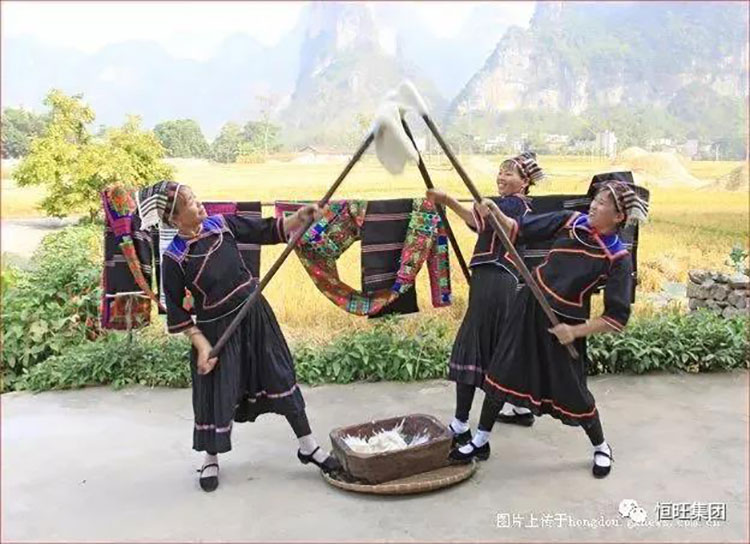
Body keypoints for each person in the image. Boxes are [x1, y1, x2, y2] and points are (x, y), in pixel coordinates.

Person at [138, 181, 340, 492]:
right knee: (216, 394)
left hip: (253, 314)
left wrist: (300, 216)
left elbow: (266, 230)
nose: (199, 203)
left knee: (280, 376)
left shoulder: (222, 224)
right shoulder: (174, 258)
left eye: (195, 196)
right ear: (175, 219)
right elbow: (176, 311)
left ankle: (308, 447)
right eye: (190, 202)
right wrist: (202, 346)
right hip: (217, 331)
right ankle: (210, 458)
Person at [449, 180, 648, 478]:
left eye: (603, 203)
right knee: (500, 372)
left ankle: (601, 447)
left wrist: (575, 331)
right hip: (529, 307)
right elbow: (517, 229)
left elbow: (616, 318)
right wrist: (495, 213)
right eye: (595, 199)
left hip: (563, 326)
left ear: (619, 216)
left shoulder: (617, 258)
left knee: (574, 391)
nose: (594, 206)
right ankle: (480, 439)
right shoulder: (571, 221)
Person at [426, 152, 544, 448]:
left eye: (509, 173)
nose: (501, 177)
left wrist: (452, 200)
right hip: (495, 279)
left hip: (494, 277)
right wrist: (448, 200)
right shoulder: (510, 204)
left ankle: (461, 425)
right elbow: (478, 221)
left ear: (524, 182)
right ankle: (519, 408)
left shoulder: (515, 204)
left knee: (474, 344)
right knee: (494, 345)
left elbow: (489, 221)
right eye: (500, 171)